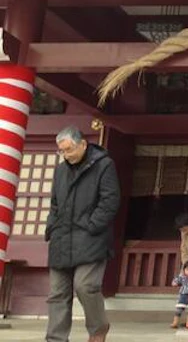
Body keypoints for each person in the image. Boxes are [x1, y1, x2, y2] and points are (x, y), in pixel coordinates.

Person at [45, 126, 121, 342]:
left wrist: (92, 225)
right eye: (62, 151)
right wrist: (52, 226)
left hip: (91, 238)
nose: (66, 155)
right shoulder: (61, 170)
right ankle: (56, 338)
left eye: (69, 150)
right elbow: (55, 203)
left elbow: (110, 200)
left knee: (86, 286)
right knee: (57, 294)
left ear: (83, 144)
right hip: (61, 238)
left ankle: (98, 329)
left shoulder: (104, 165)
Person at [171, 260, 188, 329]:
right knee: (179, 310)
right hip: (183, 295)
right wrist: (174, 283)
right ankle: (175, 323)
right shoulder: (182, 277)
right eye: (187, 269)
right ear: (184, 270)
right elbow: (176, 280)